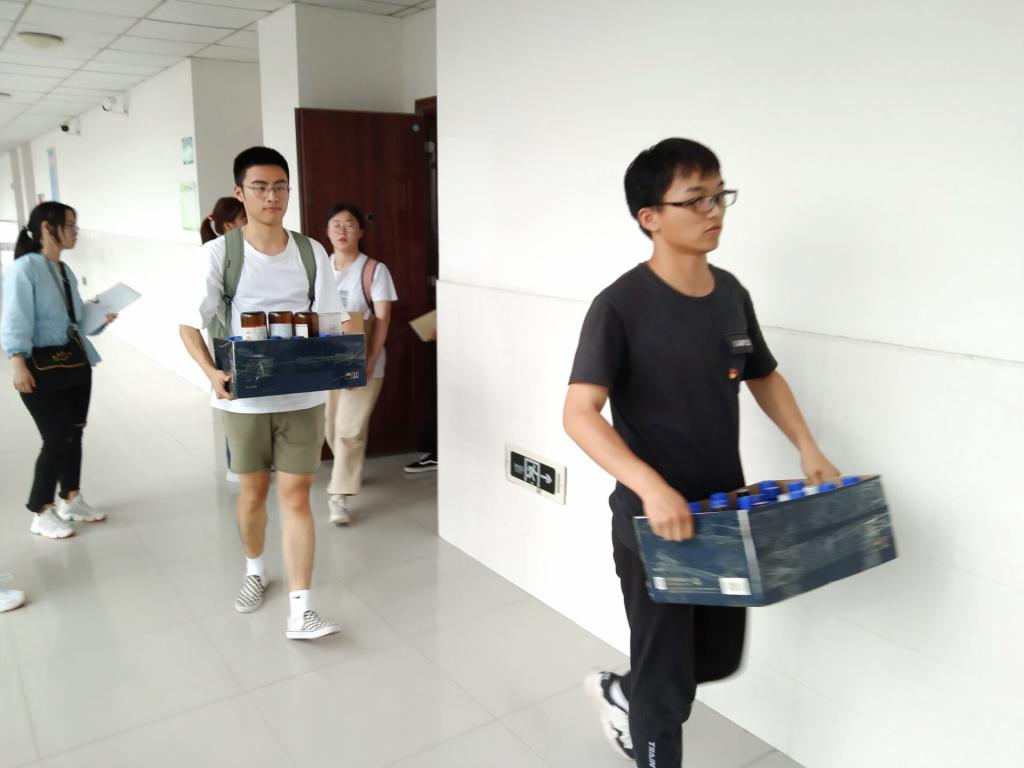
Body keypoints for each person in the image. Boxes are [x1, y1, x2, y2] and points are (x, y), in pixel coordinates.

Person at [563, 138, 839, 767]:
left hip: (722, 517)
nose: (714, 211)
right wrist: (651, 487)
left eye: (719, 196)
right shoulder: (619, 306)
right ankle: (644, 719)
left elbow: (763, 374)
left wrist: (808, 448)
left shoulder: (730, 294)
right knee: (667, 688)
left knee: (713, 660)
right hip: (653, 523)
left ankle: (621, 691)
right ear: (650, 217)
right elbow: (579, 414)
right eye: (695, 200)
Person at [178, 146, 348, 640]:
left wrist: (342, 357)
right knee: (252, 494)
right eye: (260, 187)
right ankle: (255, 570)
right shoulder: (219, 254)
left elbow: (331, 319)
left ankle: (301, 609)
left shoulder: (311, 251)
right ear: (240, 192)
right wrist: (211, 373)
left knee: (296, 496)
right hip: (245, 398)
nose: (272, 196)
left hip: (303, 397)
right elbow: (188, 323)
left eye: (280, 187)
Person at [2, 202, 114, 540]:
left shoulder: (63, 269)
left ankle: (71, 499)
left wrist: (99, 317)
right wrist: (17, 361)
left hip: (75, 362)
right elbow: (14, 317)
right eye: (70, 225)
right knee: (56, 437)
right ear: (47, 228)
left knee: (74, 432)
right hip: (40, 366)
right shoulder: (24, 269)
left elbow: (74, 321)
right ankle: (41, 510)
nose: (75, 231)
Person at [323, 203, 398, 525]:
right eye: (336, 224)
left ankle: (338, 497)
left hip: (363, 361)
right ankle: (349, 468)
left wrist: (370, 360)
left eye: (350, 224)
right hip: (327, 360)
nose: (342, 230)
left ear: (361, 232)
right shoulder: (320, 268)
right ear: (327, 231)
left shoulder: (374, 271)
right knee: (330, 427)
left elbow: (382, 319)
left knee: (348, 430)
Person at [200, 196, 247, 483]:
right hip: (225, 336)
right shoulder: (216, 252)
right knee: (232, 398)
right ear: (229, 225)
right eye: (244, 219)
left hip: (232, 336)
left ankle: (243, 462)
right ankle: (236, 464)